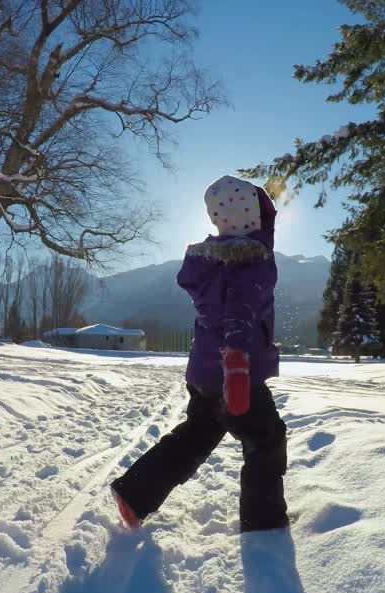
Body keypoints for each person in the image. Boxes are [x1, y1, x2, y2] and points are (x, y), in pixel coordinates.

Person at [110, 175, 289, 533]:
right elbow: (239, 314)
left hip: (204, 373)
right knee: (265, 440)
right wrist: (237, 365)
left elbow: (221, 309)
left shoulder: (213, 263)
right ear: (254, 217)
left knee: (197, 434)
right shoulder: (250, 262)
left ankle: (136, 493)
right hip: (238, 373)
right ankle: (264, 524)